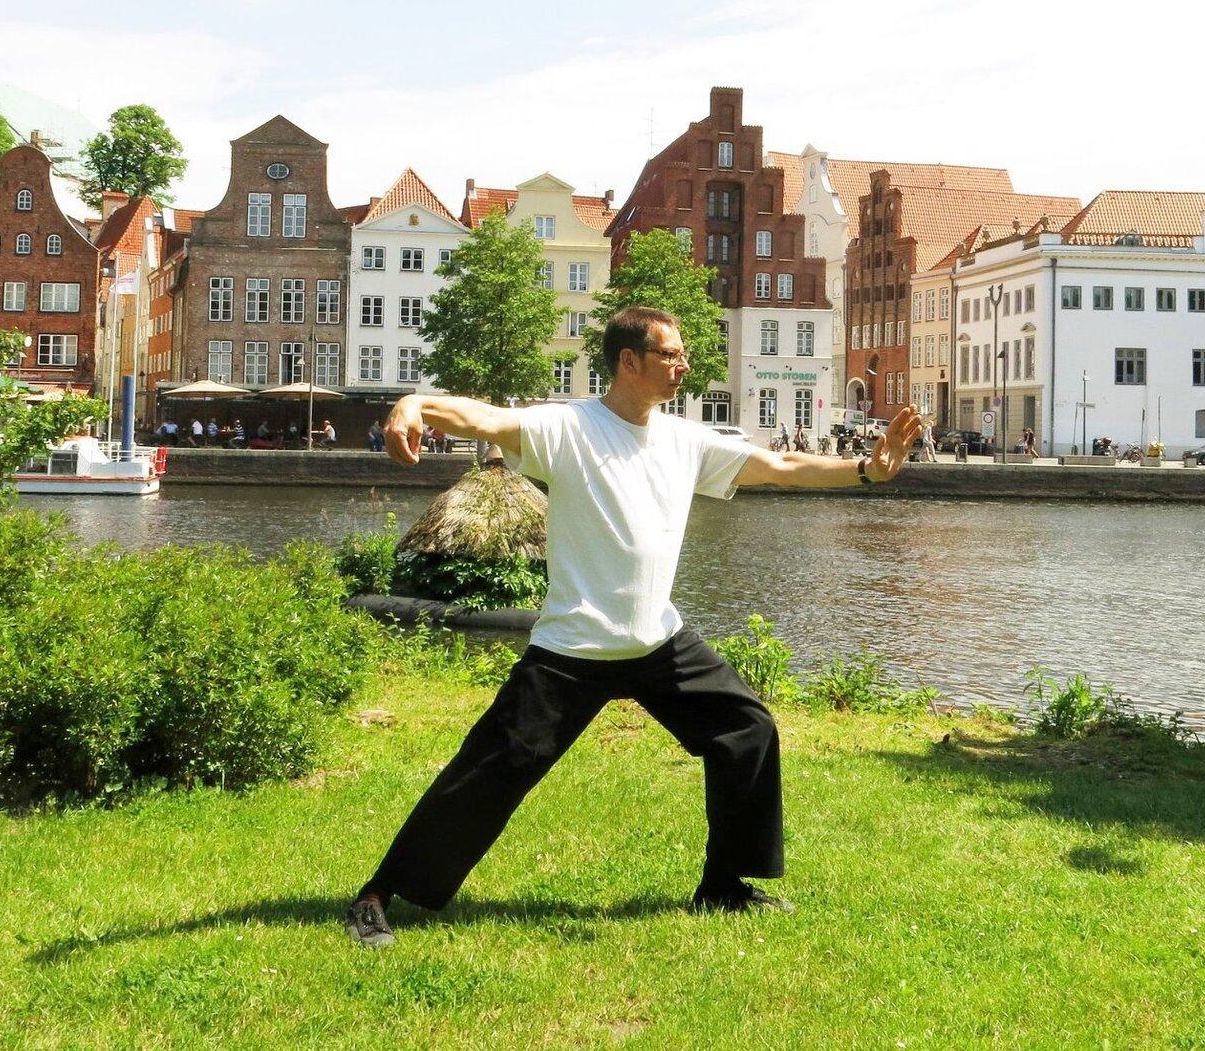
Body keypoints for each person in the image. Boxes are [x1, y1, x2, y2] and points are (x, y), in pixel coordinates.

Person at [344, 305, 922, 948]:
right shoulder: (568, 428)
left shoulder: (684, 440)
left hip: (658, 642)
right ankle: (378, 894)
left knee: (747, 729)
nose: (683, 365)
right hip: (574, 646)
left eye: (682, 355)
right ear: (629, 361)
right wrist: (415, 403)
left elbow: (781, 466)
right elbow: (486, 418)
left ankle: (725, 887)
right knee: (495, 765)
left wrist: (868, 470)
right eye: (671, 355)